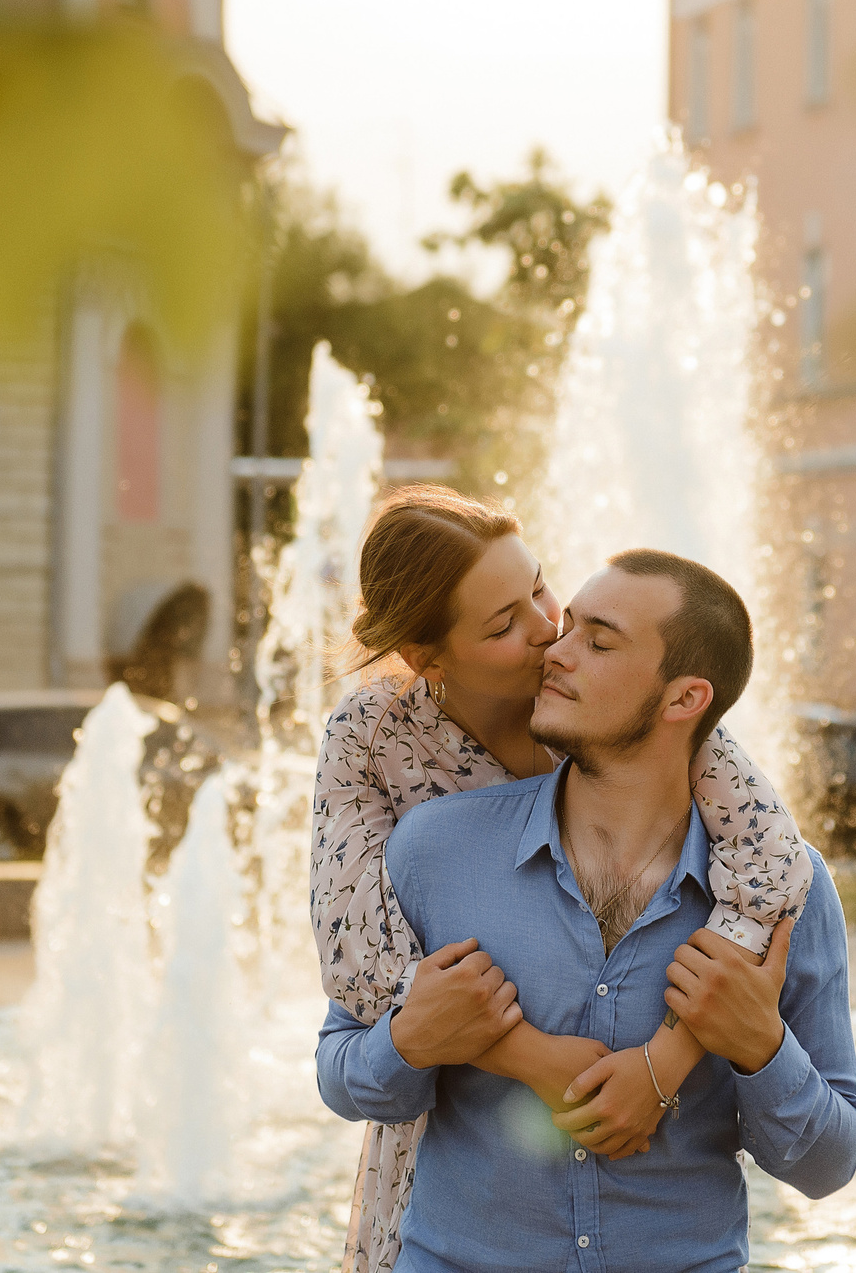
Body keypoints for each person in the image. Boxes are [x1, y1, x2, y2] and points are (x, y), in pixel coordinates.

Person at [312, 485, 812, 1273]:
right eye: (504, 624)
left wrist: (672, 1058)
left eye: (539, 586)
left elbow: (775, 859)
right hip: (450, 1167)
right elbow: (358, 965)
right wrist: (530, 1056)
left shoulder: (623, 711)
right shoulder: (373, 737)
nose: (549, 632)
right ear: (427, 657)